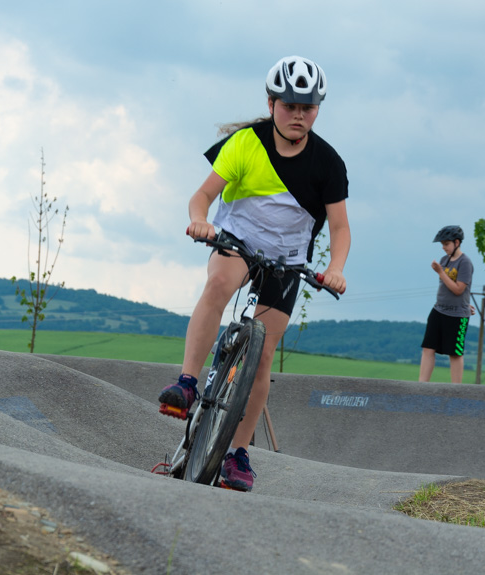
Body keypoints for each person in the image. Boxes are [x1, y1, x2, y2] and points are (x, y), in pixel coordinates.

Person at [157, 56, 350, 492]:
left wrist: (335, 268)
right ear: (271, 103)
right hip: (238, 242)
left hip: (288, 260)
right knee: (220, 282)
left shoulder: (328, 163)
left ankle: (237, 454)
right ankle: (187, 383)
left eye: (309, 107)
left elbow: (339, 228)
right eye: (290, 106)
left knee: (263, 356)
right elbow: (202, 196)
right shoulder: (246, 143)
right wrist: (200, 220)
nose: (299, 115)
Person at [419, 226, 474, 384]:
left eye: (446, 244)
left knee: (455, 353)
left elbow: (458, 289)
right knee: (428, 348)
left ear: (457, 243)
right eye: (442, 244)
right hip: (439, 310)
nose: (443, 247)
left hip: (457, 315)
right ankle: (421, 386)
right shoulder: (444, 260)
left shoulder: (465, 263)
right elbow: (446, 287)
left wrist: (441, 272)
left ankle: (455, 390)